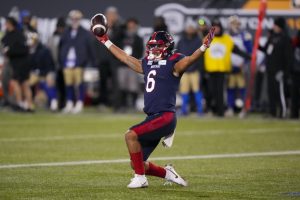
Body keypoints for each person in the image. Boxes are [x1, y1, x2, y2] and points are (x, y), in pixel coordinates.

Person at [91, 14, 215, 188]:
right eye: (152, 47)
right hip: (152, 117)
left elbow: (189, 60)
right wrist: (105, 41)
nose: (154, 50)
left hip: (165, 116)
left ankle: (141, 179)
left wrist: (203, 47)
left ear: (167, 47)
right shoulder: (148, 63)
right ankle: (167, 173)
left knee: (130, 135)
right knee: (137, 163)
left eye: (158, 47)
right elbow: (125, 58)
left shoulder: (174, 62)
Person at [59, 10, 96, 114]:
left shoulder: (85, 33)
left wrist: (92, 62)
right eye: (73, 19)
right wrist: (61, 60)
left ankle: (79, 103)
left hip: (79, 62)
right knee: (68, 84)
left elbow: (90, 48)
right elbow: (61, 47)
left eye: (77, 19)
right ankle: (69, 103)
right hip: (67, 62)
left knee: (79, 84)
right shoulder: (66, 32)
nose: (74, 21)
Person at [259, 17, 292, 118]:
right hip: (270, 69)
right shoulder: (272, 37)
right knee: (271, 91)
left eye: (276, 25)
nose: (274, 27)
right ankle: (272, 112)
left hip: (279, 70)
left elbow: (288, 57)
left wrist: (284, 71)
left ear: (280, 27)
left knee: (280, 92)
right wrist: (256, 45)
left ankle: (283, 112)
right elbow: (266, 49)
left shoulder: (285, 38)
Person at [1, 17, 33, 112]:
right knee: (21, 84)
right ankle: (25, 105)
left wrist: (9, 51)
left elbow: (23, 49)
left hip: (20, 63)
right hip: (19, 62)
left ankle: (23, 105)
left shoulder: (16, 35)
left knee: (19, 83)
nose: (5, 25)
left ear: (11, 24)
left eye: (7, 23)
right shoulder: (11, 35)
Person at [225, 15, 252, 118]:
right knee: (230, 88)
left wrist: (244, 63)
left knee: (242, 88)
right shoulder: (226, 36)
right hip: (230, 66)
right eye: (232, 23)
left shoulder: (245, 35)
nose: (233, 26)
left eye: (235, 23)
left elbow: (249, 53)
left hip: (241, 66)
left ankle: (244, 109)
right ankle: (230, 108)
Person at [116, 18, 144, 111]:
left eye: (133, 25)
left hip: (133, 65)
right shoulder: (121, 36)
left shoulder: (138, 38)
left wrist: (133, 59)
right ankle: (123, 105)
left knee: (133, 86)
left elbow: (140, 51)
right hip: (122, 65)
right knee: (122, 85)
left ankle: (133, 105)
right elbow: (116, 48)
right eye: (129, 25)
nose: (131, 27)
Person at [177, 20, 203, 115]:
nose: (190, 29)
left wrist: (199, 68)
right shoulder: (181, 40)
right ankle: (184, 110)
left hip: (195, 70)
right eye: (189, 27)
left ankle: (200, 110)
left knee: (197, 90)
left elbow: (200, 56)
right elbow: (177, 55)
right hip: (184, 70)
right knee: (184, 91)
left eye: (192, 28)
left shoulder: (198, 40)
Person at [28, 32, 58, 111]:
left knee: (48, 82)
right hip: (37, 72)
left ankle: (53, 102)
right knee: (26, 83)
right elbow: (31, 65)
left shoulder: (44, 50)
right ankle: (28, 103)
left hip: (46, 72)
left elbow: (49, 65)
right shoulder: (30, 50)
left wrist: (42, 73)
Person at [290, 30, 300, 119]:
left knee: (295, 94)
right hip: (296, 71)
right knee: (295, 94)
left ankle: (294, 114)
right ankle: (294, 113)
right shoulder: (294, 43)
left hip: (296, 70)